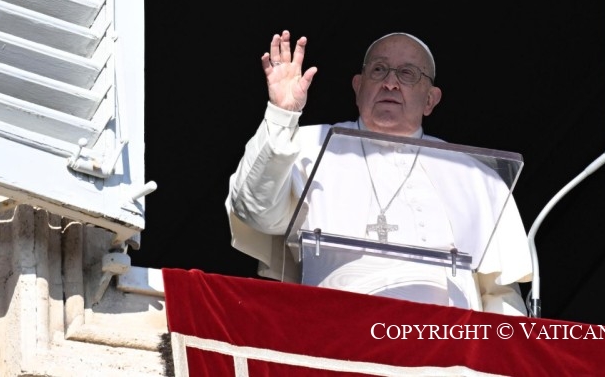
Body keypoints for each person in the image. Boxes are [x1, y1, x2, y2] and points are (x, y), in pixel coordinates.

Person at [225, 29, 533, 315]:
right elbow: (256, 213)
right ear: (358, 87)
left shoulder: (474, 175)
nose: (390, 83)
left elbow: (500, 294)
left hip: (446, 343)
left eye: (407, 73)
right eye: (379, 70)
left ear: (430, 100)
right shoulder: (306, 146)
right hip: (337, 333)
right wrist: (282, 114)